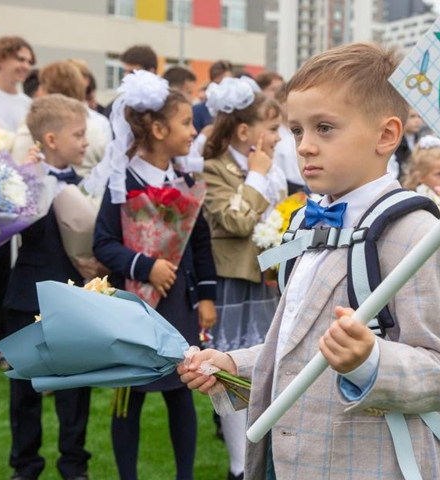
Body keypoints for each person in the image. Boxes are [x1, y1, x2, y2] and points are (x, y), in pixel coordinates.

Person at [179, 42, 440, 479]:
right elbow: (295, 349)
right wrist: (235, 366)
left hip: (367, 466)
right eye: (297, 130)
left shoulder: (418, 236)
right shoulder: (305, 224)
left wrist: (370, 360)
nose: (305, 147)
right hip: (287, 459)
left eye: (325, 128)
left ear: (386, 135)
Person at [92, 71, 218, 480]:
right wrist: (147, 266)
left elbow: (200, 243)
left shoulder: (185, 181)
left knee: (182, 391)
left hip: (178, 301)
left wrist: (206, 297)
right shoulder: (121, 181)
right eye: (186, 123)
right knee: (128, 398)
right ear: (159, 129)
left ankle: (185, 474)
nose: (194, 131)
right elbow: (103, 243)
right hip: (134, 305)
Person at [197, 75, 286, 479]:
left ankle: (264, 458)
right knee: (230, 368)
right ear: (245, 131)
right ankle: (238, 465)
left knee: (266, 366)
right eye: (273, 128)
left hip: (266, 281)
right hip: (232, 284)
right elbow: (235, 220)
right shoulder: (213, 169)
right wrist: (256, 176)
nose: (279, 136)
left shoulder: (270, 168)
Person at [2, 94, 93, 480]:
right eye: (79, 134)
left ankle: (74, 464)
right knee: (24, 389)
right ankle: (25, 464)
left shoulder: (88, 183)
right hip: (29, 293)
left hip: (74, 296)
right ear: (51, 139)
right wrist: (25, 180)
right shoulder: (23, 180)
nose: (86, 142)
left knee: (76, 389)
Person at [11, 61, 107, 178]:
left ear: (48, 91)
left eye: (42, 85)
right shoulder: (98, 126)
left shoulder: (30, 127)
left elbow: (17, 161)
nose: (85, 142)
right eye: (79, 135)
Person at [271, 83, 305, 195]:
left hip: (305, 185)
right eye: (285, 101)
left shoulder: (303, 129)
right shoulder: (275, 133)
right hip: (286, 187)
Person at [192, 60, 233, 134]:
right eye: (218, 83)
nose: (223, 88)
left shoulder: (239, 112)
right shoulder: (197, 111)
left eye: (227, 83)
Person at [389, 107, 424, 180]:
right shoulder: (395, 142)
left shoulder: (422, 141)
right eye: (412, 116)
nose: (417, 121)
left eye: (420, 117)